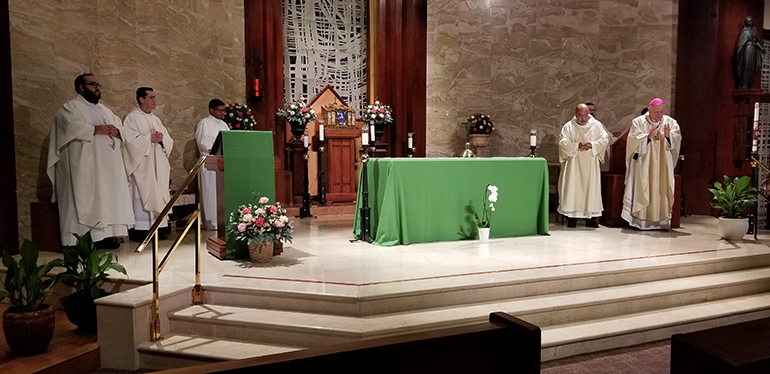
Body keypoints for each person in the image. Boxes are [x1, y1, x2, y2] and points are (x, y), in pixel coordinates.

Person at [46, 74, 134, 248]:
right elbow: (68, 127)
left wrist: (116, 131)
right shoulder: (70, 107)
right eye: (93, 84)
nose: (97, 88)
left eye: (98, 84)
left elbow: (121, 128)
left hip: (107, 166)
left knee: (106, 199)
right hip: (85, 166)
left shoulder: (105, 110)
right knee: (84, 198)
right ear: (81, 87)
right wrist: (95, 129)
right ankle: (78, 241)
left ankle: (104, 237)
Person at [622, 98, 682, 230]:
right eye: (656, 112)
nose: (659, 115)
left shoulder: (670, 122)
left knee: (662, 189)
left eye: (661, 112)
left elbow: (676, 142)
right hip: (644, 163)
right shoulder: (638, 122)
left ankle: (661, 222)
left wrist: (668, 136)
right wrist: (647, 138)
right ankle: (642, 222)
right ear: (649, 110)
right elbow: (632, 142)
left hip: (663, 165)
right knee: (644, 187)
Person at [122, 87, 174, 242]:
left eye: (155, 97)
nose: (154, 100)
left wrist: (161, 139)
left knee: (159, 193)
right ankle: (141, 230)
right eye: (151, 97)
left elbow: (168, 139)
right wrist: (148, 139)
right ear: (141, 99)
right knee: (143, 193)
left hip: (158, 163)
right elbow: (129, 140)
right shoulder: (131, 118)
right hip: (143, 164)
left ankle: (158, 228)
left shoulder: (156, 119)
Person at [558, 104, 609, 228]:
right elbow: (563, 142)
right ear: (576, 114)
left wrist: (592, 145)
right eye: (580, 115)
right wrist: (577, 146)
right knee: (573, 187)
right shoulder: (569, 126)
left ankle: (590, 218)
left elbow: (604, 140)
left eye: (586, 115)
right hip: (574, 164)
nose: (583, 118)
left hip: (590, 162)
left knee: (590, 188)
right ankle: (571, 218)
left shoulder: (596, 125)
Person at [195, 99, 229, 230]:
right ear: (211, 110)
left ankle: (221, 220)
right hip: (209, 161)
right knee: (210, 193)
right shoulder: (204, 123)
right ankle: (210, 222)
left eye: (224, 110)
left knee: (220, 193)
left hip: (221, 161)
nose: (223, 113)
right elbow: (202, 142)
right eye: (220, 110)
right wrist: (217, 147)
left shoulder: (224, 125)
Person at [734, 16, 764, 90]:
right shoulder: (745, 32)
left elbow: (756, 41)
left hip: (754, 50)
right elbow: (741, 44)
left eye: (752, 21)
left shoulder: (754, 31)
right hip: (747, 49)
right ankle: (744, 85)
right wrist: (739, 53)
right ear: (747, 23)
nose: (751, 22)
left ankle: (750, 84)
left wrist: (761, 48)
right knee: (746, 66)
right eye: (750, 21)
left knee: (752, 67)